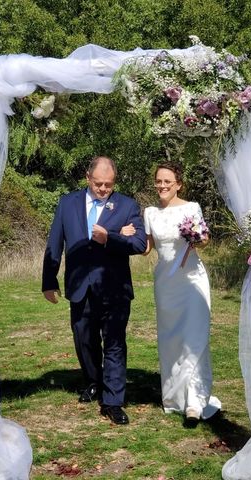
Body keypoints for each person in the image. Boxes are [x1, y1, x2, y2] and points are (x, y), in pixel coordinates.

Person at [42, 156, 147, 425]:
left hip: (115, 288)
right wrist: (49, 279)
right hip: (79, 287)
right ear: (88, 178)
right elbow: (55, 242)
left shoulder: (127, 205)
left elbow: (138, 244)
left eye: (108, 185)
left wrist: (110, 238)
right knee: (84, 340)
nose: (102, 189)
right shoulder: (67, 203)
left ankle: (113, 401)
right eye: (98, 183)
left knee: (114, 344)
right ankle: (92, 381)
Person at [123, 162, 221, 423]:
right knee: (172, 340)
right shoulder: (150, 213)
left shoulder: (191, 208)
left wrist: (196, 237)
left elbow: (204, 239)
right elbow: (147, 247)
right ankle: (176, 397)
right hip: (165, 283)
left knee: (194, 336)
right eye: (158, 181)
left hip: (191, 280)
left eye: (168, 181)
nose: (162, 185)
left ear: (178, 184)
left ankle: (194, 401)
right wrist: (126, 235)